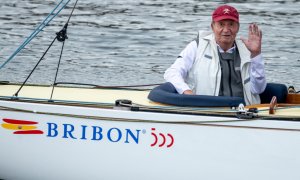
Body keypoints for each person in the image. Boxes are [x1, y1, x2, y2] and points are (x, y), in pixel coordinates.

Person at [164, 5, 266, 105]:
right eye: (221, 24)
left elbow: (258, 89)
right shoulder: (197, 46)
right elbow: (171, 73)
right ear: (212, 26)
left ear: (238, 27)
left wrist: (256, 55)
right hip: (207, 111)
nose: (226, 30)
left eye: (231, 24)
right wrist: (187, 92)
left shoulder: (248, 50)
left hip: (245, 113)